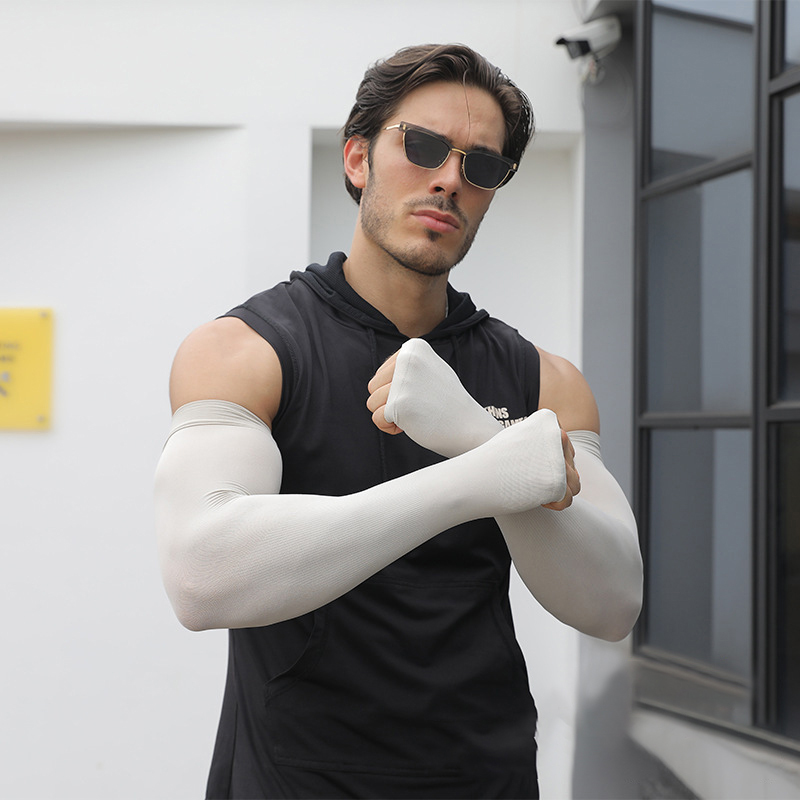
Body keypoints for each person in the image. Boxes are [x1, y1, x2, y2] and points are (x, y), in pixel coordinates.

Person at [154, 43, 642, 799]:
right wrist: (485, 472)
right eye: (421, 146)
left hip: (487, 780)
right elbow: (201, 577)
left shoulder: (547, 383)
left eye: (483, 166)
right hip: (296, 781)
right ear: (358, 159)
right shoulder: (246, 351)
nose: (449, 179)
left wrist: (473, 433)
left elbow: (612, 603)